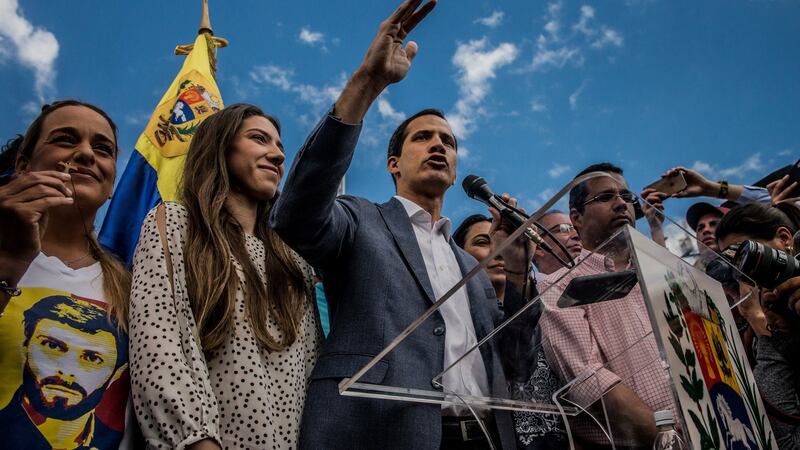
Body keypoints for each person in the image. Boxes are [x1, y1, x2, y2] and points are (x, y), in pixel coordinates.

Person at [270, 1, 530, 448]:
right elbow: (295, 215)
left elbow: (514, 359)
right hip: (380, 432)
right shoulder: (359, 220)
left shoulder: (471, 265)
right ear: (394, 162)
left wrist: (523, 268)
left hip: (484, 436)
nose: (438, 146)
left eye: (447, 141)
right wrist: (368, 83)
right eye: (422, 137)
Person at [129, 104, 320, 449]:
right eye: (259, 139)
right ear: (220, 147)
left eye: (280, 147)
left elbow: (309, 367)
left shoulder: (294, 260)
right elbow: (159, 340)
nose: (276, 155)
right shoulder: (176, 222)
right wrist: (195, 439)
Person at [0, 100, 134, 449]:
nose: (86, 154)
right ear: (23, 165)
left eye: (102, 149)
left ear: (110, 188)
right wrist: (9, 262)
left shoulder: (135, 288)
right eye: (65, 139)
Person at [538, 163, 676, 447]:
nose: (621, 204)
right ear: (576, 218)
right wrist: (668, 440)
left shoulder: (660, 276)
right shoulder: (558, 286)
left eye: (627, 197)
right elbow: (590, 381)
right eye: (605, 197)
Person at [716, 202, 800, 450]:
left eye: (741, 253)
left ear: (785, 238)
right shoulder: (776, 324)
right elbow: (788, 442)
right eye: (730, 262)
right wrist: (766, 327)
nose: (740, 271)